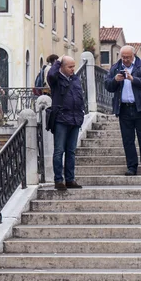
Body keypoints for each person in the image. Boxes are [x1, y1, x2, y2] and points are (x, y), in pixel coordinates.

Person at [105, 45, 141, 176]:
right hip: (124, 109)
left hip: (140, 108)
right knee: (127, 139)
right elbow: (107, 85)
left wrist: (133, 79)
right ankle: (131, 167)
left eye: (127, 57)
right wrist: (115, 80)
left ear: (133, 55)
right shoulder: (116, 67)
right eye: (123, 57)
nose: (125, 60)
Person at [46, 55, 85, 191]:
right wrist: (58, 61)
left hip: (75, 119)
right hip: (61, 119)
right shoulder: (55, 80)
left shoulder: (75, 80)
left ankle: (70, 179)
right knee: (59, 151)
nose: (73, 69)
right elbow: (51, 74)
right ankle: (58, 180)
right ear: (61, 67)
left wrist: (81, 115)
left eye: (74, 66)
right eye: (70, 67)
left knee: (71, 151)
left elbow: (79, 97)